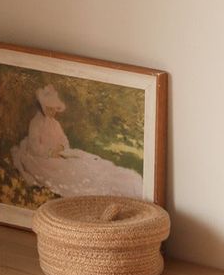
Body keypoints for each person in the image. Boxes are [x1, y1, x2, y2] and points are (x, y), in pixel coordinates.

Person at [10, 84, 143, 198]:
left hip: (60, 154)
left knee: (86, 162)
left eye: (54, 109)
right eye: (49, 109)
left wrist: (62, 148)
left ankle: (122, 181)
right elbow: (35, 147)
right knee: (70, 172)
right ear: (43, 107)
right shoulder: (36, 123)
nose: (52, 112)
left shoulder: (54, 123)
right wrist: (51, 153)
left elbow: (64, 140)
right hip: (42, 158)